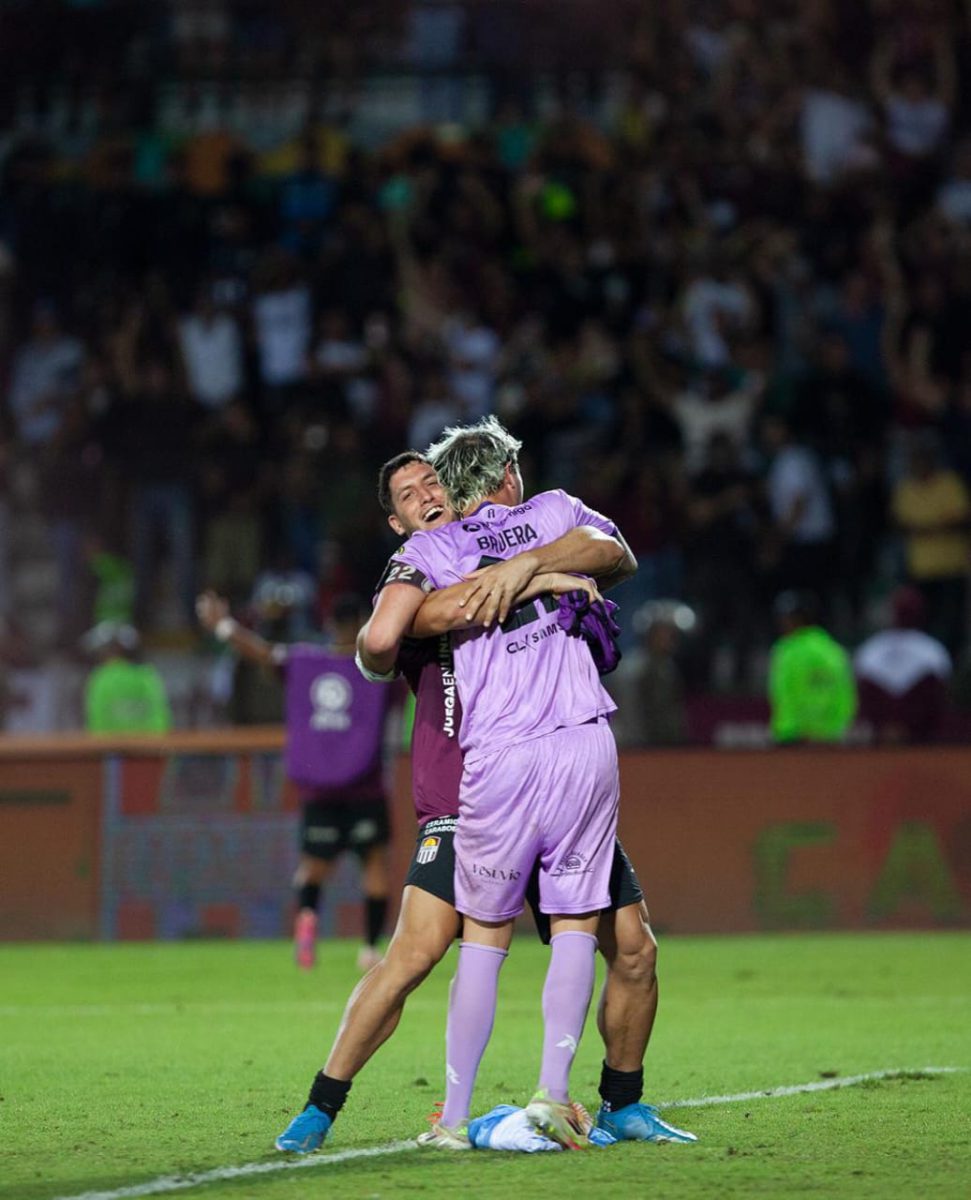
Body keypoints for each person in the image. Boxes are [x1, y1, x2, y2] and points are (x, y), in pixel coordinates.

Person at [275, 448, 695, 1155]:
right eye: (408, 496)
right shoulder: (415, 574)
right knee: (412, 956)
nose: (425, 497)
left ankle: (622, 1103)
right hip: (467, 800)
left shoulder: (505, 539)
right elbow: (387, 641)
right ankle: (321, 1105)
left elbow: (610, 550)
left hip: (554, 779)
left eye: (431, 482)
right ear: (396, 520)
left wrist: (530, 567)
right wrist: (540, 575)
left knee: (634, 951)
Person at [196, 591, 395, 971]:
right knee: (373, 864)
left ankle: (307, 923)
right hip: (365, 785)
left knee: (313, 867)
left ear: (330, 624)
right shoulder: (381, 664)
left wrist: (223, 625)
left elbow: (261, 653)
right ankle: (369, 948)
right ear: (365, 622)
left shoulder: (306, 661)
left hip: (318, 785)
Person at [854, 586, 952, 744]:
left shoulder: (871, 648)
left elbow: (935, 701)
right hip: (881, 736)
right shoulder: (933, 650)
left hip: (919, 737)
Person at [768, 591, 857, 745]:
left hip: (793, 736)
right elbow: (846, 694)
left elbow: (783, 694)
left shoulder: (787, 650)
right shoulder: (832, 649)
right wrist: (837, 727)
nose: (782, 622)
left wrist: (792, 729)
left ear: (798, 618)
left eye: (785, 618)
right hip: (830, 736)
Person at [82, 622, 172, 734]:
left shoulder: (101, 678)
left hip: (111, 749)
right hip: (148, 747)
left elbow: (97, 724)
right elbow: (160, 720)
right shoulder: (147, 675)